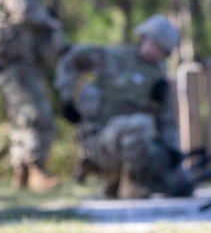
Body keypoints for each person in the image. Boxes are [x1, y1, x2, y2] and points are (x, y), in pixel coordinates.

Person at [53, 15, 194, 199]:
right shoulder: (113, 57)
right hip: (100, 142)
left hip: (138, 146)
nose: (154, 51)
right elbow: (70, 58)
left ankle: (117, 184)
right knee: (142, 124)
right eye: (152, 43)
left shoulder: (158, 78)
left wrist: (173, 150)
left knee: (183, 183)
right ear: (143, 37)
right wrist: (67, 99)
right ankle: (130, 186)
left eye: (161, 49)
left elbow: (167, 121)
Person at [0, 0, 67, 192]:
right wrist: (49, 22)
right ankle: (36, 170)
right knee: (36, 114)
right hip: (15, 64)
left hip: (21, 63)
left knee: (22, 118)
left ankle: (22, 175)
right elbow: (23, 14)